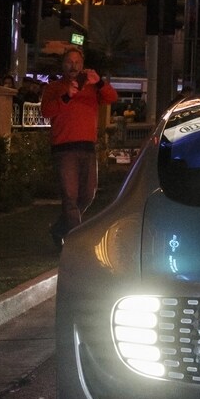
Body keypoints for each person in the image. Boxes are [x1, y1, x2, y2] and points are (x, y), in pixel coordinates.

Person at [41, 47, 117, 249]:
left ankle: (59, 228)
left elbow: (111, 97)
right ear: (63, 65)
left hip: (87, 147)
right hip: (64, 148)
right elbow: (46, 111)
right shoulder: (54, 87)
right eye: (69, 62)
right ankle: (77, 243)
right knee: (70, 196)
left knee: (87, 195)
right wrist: (67, 96)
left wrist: (98, 82)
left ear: (83, 65)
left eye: (77, 62)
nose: (73, 66)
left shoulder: (92, 88)